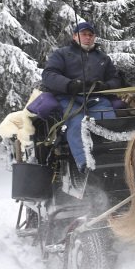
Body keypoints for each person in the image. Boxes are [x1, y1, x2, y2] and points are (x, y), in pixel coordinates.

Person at [41, 21, 122, 172]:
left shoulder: (103, 58)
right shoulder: (62, 54)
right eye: (84, 34)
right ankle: (85, 165)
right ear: (75, 36)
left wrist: (105, 86)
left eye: (91, 35)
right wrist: (69, 84)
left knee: (108, 120)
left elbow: (116, 79)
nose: (88, 37)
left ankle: (114, 159)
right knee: (77, 122)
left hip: (96, 99)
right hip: (69, 99)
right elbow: (48, 74)